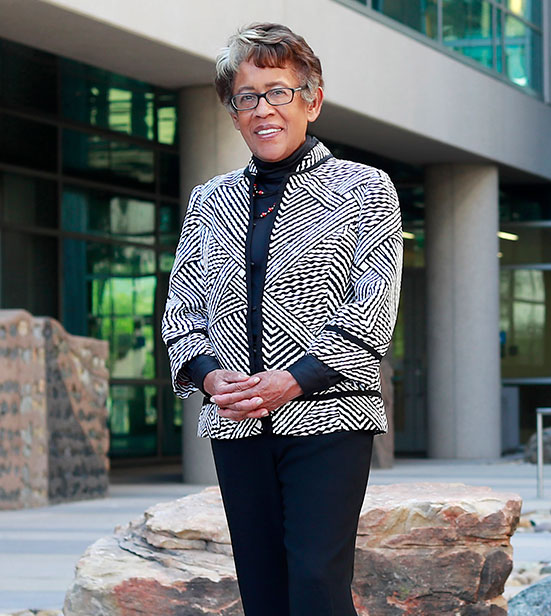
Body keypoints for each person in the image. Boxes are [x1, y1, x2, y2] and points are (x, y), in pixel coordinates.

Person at [160, 22, 402, 616]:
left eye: (278, 92)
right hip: (237, 422)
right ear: (233, 111)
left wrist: (291, 379)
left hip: (328, 419)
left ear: (311, 100)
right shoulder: (208, 199)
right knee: (263, 592)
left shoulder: (363, 188)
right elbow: (180, 310)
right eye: (246, 97)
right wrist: (210, 376)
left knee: (317, 586)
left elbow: (371, 313)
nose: (262, 109)